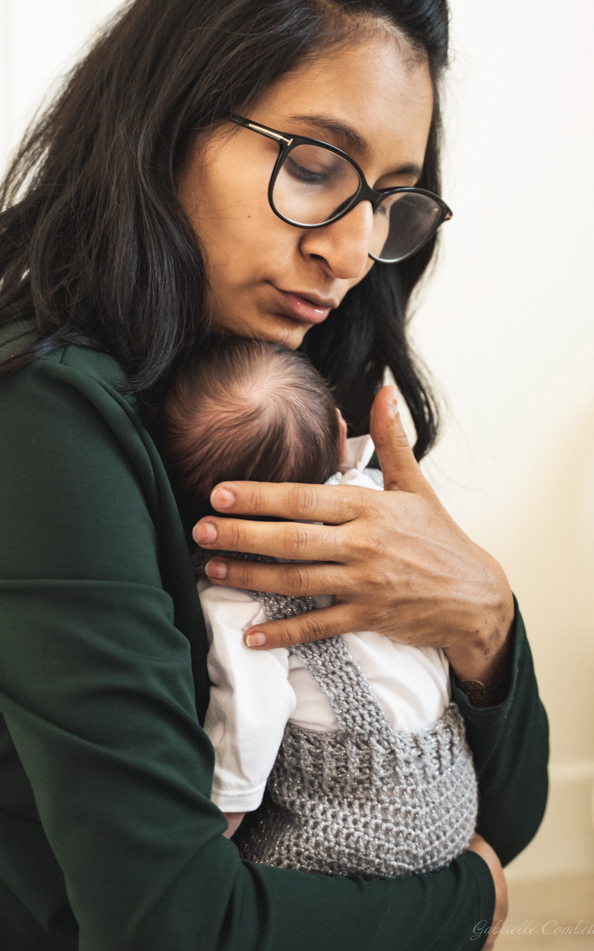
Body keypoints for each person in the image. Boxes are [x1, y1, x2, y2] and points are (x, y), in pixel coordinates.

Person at [0, 0, 548, 951]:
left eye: (390, 198)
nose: (355, 247)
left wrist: (483, 618)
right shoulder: (32, 422)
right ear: (170, 118)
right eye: (314, 165)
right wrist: (472, 901)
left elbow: (497, 811)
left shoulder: (293, 394)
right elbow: (175, 923)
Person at [160, 335, 478, 876]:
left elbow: (252, 711)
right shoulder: (391, 516)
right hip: (452, 793)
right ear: (337, 432)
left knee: (249, 875)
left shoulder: (235, 588)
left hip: (348, 819)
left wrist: (226, 809)